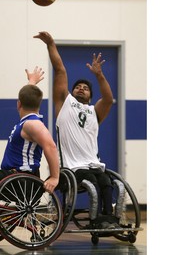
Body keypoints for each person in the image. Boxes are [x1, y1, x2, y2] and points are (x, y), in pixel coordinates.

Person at [33, 31, 117, 228]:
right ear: (71, 91)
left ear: (90, 95)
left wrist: (99, 75)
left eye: (85, 88)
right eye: (77, 86)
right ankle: (96, 221)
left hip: (93, 164)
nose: (81, 88)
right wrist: (51, 44)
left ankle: (108, 219)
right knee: (93, 184)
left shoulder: (94, 111)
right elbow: (60, 70)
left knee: (106, 183)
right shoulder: (65, 103)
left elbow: (107, 99)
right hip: (71, 167)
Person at [0, 67, 59, 228]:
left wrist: (54, 176)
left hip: (20, 180)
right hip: (14, 177)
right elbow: (28, 97)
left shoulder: (32, 124)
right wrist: (31, 82)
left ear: (18, 104)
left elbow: (51, 146)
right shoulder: (28, 121)